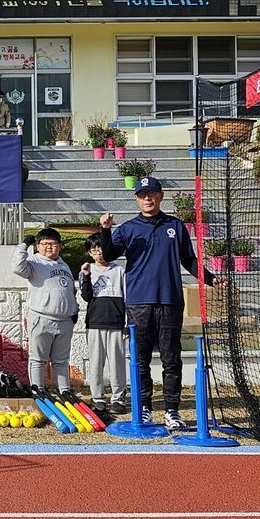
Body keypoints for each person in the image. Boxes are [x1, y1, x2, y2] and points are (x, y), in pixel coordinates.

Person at [99, 176, 218, 430]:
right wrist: (106, 230)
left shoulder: (174, 225)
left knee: (171, 358)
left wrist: (210, 278)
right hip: (139, 302)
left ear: (161, 196)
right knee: (140, 359)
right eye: (142, 195)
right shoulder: (129, 228)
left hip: (170, 301)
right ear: (137, 199)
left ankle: (172, 410)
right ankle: (143, 408)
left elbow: (189, 260)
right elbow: (108, 254)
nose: (147, 199)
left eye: (152, 193)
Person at [11, 228, 78, 394]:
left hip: (65, 321)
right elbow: (17, 267)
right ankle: (38, 391)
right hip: (41, 318)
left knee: (61, 360)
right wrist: (23, 245)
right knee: (38, 359)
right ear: (38, 246)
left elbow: (70, 290)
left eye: (53, 243)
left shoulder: (65, 265)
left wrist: (74, 309)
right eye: (45, 243)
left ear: (60, 246)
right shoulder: (34, 262)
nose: (49, 246)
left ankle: (64, 391)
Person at [79, 233, 128, 415]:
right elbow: (86, 296)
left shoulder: (119, 270)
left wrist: (126, 324)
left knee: (117, 363)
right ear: (89, 252)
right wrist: (85, 275)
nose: (98, 253)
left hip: (116, 323)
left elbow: (127, 298)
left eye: (100, 248)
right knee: (96, 363)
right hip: (94, 323)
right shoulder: (87, 270)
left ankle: (118, 398)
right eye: (93, 250)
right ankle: (98, 398)